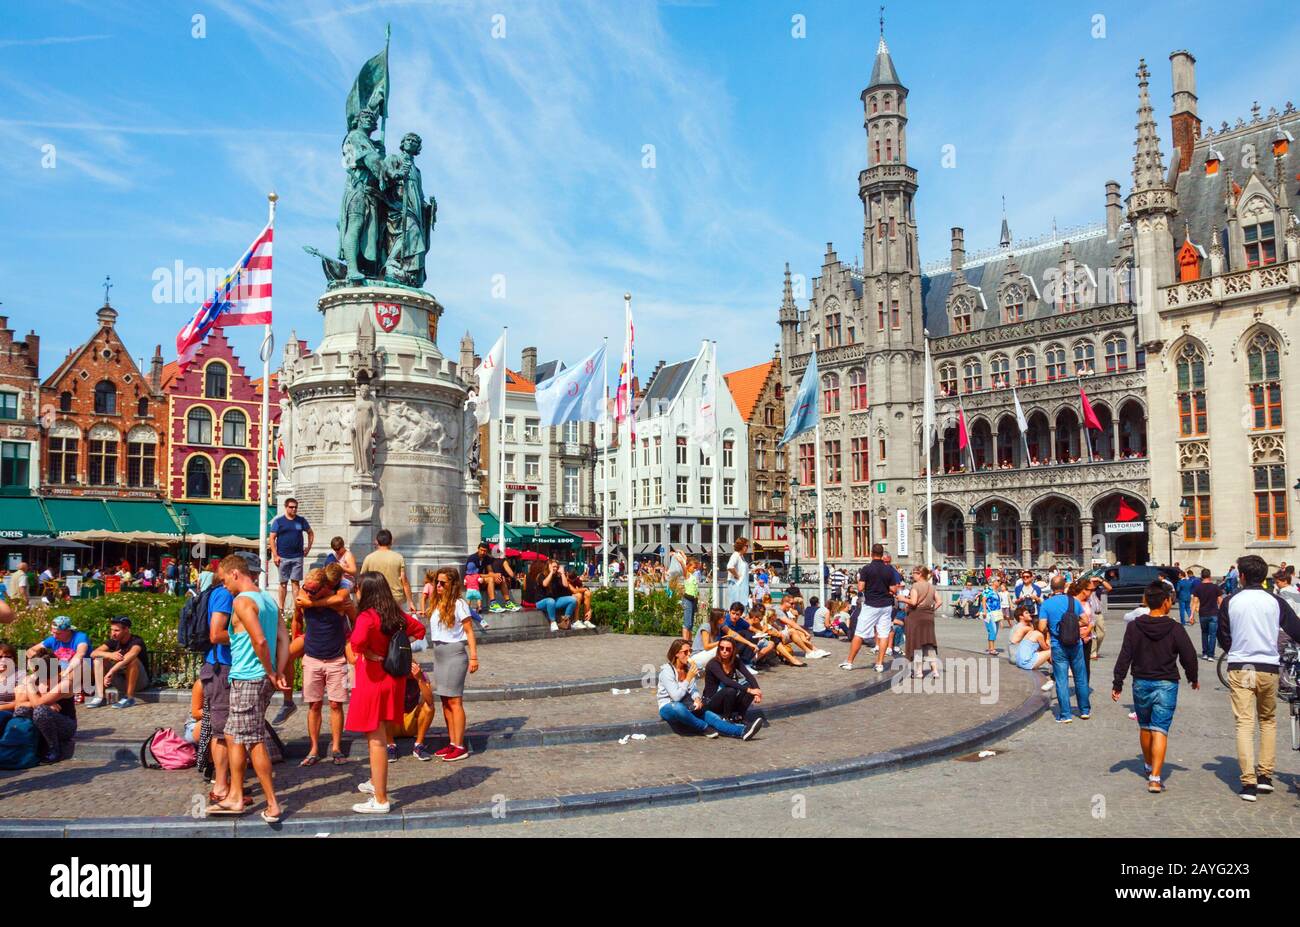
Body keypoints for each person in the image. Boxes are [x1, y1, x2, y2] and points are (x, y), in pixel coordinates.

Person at [206, 554, 289, 824]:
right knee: (232, 733)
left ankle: (273, 804)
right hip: (259, 678)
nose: (223, 587)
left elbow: (261, 640)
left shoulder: (242, 601)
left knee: (254, 741)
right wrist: (278, 670)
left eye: (224, 581)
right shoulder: (269, 600)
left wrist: (270, 670)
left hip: (249, 678)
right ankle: (235, 794)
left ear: (235, 574)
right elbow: (284, 640)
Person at [1217, 554, 1300, 801]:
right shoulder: (1275, 601)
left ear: (1241, 576)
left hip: (1241, 665)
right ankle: (1265, 776)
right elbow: (1296, 630)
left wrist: (1237, 649)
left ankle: (1248, 783)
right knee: (1268, 720)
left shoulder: (1231, 601)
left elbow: (1223, 636)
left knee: (1244, 722)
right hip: (1268, 667)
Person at [347, 572, 427, 813]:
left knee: (376, 740)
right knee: (378, 735)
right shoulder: (395, 614)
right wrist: (397, 647)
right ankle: (375, 781)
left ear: (365, 590)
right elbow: (420, 630)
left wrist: (371, 652)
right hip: (392, 679)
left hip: (373, 680)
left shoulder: (366, 617)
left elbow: (356, 645)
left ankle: (380, 799)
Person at [1110, 581, 1198, 794]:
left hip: (1141, 681)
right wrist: (1192, 677)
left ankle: (1149, 765)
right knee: (1161, 728)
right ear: (1167, 601)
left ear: (1147, 601)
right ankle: (1156, 778)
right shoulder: (1175, 627)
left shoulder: (1134, 626)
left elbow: (1125, 656)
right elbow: (1189, 655)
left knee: (1145, 726)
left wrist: (1118, 682)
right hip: (1167, 683)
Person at [295, 564, 354, 767]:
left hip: (336, 658)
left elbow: (355, 619)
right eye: (308, 589)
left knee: (336, 704)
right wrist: (296, 636)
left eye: (313, 590)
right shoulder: (304, 597)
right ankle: (314, 748)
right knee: (315, 705)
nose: (309, 592)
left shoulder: (339, 600)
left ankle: (336, 747)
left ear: (325, 587)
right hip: (312, 657)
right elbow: (296, 619)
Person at [426, 566, 479, 762]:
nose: (438, 586)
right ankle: (451, 741)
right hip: (439, 654)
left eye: (442, 583)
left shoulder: (459, 604)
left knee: (455, 701)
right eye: (437, 583)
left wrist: (473, 656)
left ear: (452, 585)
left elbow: (469, 631)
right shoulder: (437, 602)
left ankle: (459, 745)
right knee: (445, 700)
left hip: (454, 653)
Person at [199, 558, 237, 807]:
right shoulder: (223, 595)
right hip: (220, 666)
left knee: (224, 727)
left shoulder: (218, 593)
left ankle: (226, 779)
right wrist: (247, 636)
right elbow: (216, 633)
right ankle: (222, 784)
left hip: (221, 665)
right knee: (222, 729)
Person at [657, 638, 748, 738]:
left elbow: (693, 689)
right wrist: (688, 678)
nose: (689, 655)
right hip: (669, 707)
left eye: (690, 651)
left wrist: (697, 699)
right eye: (685, 652)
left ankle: (742, 731)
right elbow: (676, 697)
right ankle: (704, 727)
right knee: (679, 708)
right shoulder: (667, 671)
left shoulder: (688, 669)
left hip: (688, 705)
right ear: (676, 654)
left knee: (713, 718)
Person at [1040, 575, 1091, 723]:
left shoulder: (1046, 604)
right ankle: (1085, 710)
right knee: (1080, 678)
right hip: (1076, 644)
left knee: (1062, 681)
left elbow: (1042, 626)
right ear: (1064, 587)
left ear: (1052, 587)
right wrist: (1073, 626)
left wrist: (1053, 627)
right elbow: (1085, 620)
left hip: (1058, 645)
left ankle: (1065, 715)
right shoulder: (1073, 601)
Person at [13, 649, 78, 763]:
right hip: (43, 720)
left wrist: (29, 686)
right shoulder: (35, 680)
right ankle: (23, 744)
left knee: (41, 711)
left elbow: (38, 704)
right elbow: (18, 705)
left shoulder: (65, 683)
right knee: (23, 710)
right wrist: (45, 703)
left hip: (65, 725)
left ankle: (53, 749)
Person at [841, 544, 899, 673]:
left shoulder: (866, 569)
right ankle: (879, 664)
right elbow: (894, 589)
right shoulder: (889, 570)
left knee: (860, 633)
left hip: (871, 604)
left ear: (871, 553)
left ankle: (849, 662)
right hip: (886, 606)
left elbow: (861, 588)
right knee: (884, 634)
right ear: (882, 554)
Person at [702, 637, 766, 740]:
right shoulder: (713, 664)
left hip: (728, 699)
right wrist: (749, 690)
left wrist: (757, 691)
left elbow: (749, 676)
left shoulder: (735, 660)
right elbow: (726, 681)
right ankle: (727, 718)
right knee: (732, 690)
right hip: (712, 701)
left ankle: (739, 717)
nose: (724, 651)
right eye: (721, 648)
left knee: (748, 686)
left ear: (733, 650)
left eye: (728, 649)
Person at [87, 617, 149, 708]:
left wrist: (111, 671)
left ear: (126, 629)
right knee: (98, 660)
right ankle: (100, 697)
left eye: (116, 630)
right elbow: (93, 653)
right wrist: (110, 655)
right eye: (112, 630)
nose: (113, 633)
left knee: (133, 660)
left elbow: (131, 654)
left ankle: (129, 698)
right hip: (120, 682)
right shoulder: (114, 641)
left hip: (139, 682)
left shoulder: (137, 641)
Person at [269, 497, 314, 616]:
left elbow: (310, 532)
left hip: (297, 556)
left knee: (295, 583)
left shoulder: (301, 521)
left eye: (295, 507)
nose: (294, 509)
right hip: (282, 556)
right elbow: (272, 538)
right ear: (286, 507)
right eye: (291, 507)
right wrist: (275, 555)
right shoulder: (279, 521)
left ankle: (297, 609)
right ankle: (281, 608)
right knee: (283, 583)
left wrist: (308, 547)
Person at [28, 616, 91, 699]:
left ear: (68, 631)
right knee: (39, 667)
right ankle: (46, 694)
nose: (54, 636)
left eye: (57, 633)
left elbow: (80, 654)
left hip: (79, 669)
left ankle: (53, 695)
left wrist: (65, 672)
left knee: (79, 664)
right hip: (59, 670)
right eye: (53, 632)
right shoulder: (53, 639)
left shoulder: (80, 637)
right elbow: (30, 651)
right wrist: (38, 665)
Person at [898, 566, 941, 679]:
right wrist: (931, 610)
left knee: (917, 644)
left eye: (914, 573)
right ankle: (935, 671)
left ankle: (919, 672)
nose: (913, 575)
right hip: (928, 617)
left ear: (920, 574)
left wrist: (902, 598)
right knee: (929, 643)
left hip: (916, 617)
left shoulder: (916, 586)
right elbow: (939, 601)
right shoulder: (931, 586)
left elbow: (913, 602)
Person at [387, 661, 436, 761]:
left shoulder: (421, 675)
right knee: (382, 705)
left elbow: (430, 701)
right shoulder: (392, 674)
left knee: (428, 706)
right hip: (393, 722)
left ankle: (418, 745)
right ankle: (390, 745)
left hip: (411, 721)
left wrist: (419, 679)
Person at [360, 529, 415, 613]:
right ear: (391, 541)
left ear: (376, 541)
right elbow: (404, 581)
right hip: (395, 598)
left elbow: (362, 580)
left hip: (375, 598)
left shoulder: (369, 558)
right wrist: (410, 602)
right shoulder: (398, 557)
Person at [525, 559, 577, 632]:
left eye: (556, 567)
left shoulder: (557, 576)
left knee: (573, 600)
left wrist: (562, 574)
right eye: (553, 566)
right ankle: (553, 622)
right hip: (541, 602)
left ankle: (565, 621)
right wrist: (551, 573)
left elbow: (565, 585)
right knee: (550, 601)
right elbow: (545, 584)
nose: (555, 568)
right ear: (548, 566)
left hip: (553, 601)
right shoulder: (541, 575)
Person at [466, 542, 519, 613]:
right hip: (471, 581)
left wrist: (496, 576)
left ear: (487, 551)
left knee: (501, 578)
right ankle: (493, 604)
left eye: (484, 551)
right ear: (478, 549)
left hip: (480, 579)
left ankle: (508, 602)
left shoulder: (487, 558)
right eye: (481, 550)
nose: (482, 552)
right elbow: (473, 575)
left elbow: (490, 571)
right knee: (490, 578)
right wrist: (493, 576)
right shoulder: (472, 558)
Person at [1008, 606, 1054, 686]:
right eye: (1026, 613)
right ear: (1021, 617)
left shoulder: (1023, 628)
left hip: (1018, 657)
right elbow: (1045, 648)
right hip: (1016, 657)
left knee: (1040, 651)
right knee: (1050, 651)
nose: (1029, 614)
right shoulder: (1024, 628)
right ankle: (1058, 671)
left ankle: (1054, 670)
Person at [723, 600, 775, 669]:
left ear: (741, 615)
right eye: (733, 613)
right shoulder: (725, 621)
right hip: (729, 644)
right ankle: (746, 663)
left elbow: (750, 628)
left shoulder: (740, 621)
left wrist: (759, 632)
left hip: (742, 643)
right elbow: (729, 635)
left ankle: (751, 662)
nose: (734, 616)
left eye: (737, 614)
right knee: (747, 635)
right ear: (729, 612)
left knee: (770, 642)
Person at [1190, 568, 1223, 661]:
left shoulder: (1198, 587)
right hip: (1214, 614)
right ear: (1210, 576)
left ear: (1201, 576)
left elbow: (1195, 602)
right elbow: (1220, 602)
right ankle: (1211, 655)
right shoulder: (1215, 587)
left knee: (1204, 633)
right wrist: (1223, 614)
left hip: (1203, 614)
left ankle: (1204, 653)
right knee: (1213, 635)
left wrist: (1191, 615)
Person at [980, 577, 1006, 656]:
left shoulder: (997, 592)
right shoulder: (988, 590)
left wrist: (1001, 619)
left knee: (995, 631)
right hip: (989, 613)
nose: (999, 582)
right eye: (998, 580)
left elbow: (999, 605)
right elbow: (983, 600)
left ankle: (991, 647)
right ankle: (991, 649)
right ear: (993, 582)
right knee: (992, 630)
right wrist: (984, 610)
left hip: (996, 613)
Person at [726, 538, 751, 609]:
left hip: (742, 586)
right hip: (737, 586)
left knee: (741, 607)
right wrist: (736, 575)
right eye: (747, 546)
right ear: (742, 546)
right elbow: (729, 566)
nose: (747, 548)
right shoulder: (736, 555)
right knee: (737, 608)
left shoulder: (741, 556)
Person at [680, 558, 701, 640]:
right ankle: (685, 641)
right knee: (687, 623)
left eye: (695, 568)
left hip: (693, 600)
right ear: (688, 567)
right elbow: (683, 566)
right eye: (693, 567)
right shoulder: (687, 574)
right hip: (687, 599)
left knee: (691, 623)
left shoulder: (693, 576)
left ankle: (689, 640)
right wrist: (680, 558)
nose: (694, 569)